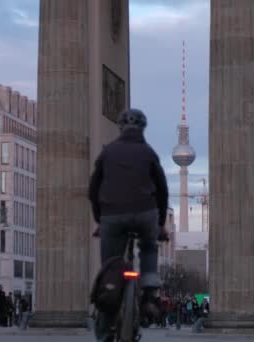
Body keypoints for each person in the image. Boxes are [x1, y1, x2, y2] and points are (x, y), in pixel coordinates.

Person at [89, 108, 170, 342]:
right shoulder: (149, 153)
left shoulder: (107, 153)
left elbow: (93, 189)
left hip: (112, 217)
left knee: (110, 269)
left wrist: (99, 219)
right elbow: (162, 190)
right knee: (149, 246)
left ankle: (104, 332)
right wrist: (161, 224)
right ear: (143, 128)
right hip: (146, 214)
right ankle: (150, 293)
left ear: (120, 128)